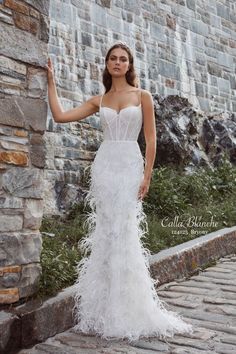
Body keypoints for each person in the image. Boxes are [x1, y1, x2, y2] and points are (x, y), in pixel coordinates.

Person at [47, 41, 194, 343]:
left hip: (129, 166)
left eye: (123, 59)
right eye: (113, 59)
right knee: (106, 233)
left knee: (125, 232)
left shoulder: (143, 96)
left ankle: (128, 310)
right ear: (107, 64)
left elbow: (151, 140)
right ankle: (103, 311)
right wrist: (51, 82)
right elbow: (60, 115)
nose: (117, 63)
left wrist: (147, 176)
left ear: (129, 65)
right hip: (104, 167)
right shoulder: (98, 100)